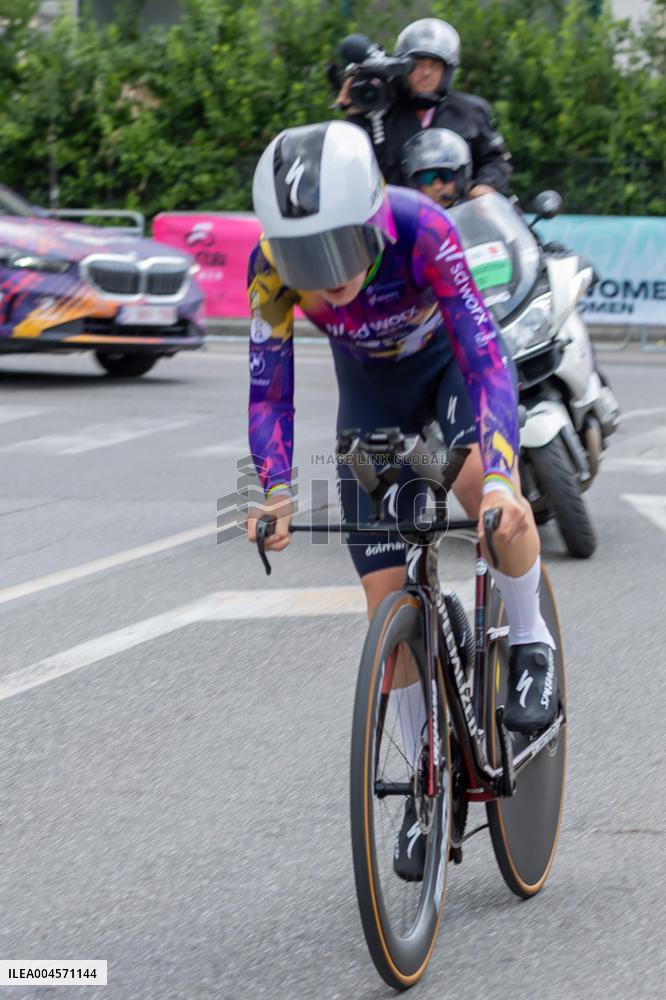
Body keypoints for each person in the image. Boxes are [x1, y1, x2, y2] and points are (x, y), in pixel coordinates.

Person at [245, 120, 557, 880]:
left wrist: (504, 477)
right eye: (304, 258)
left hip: (448, 375)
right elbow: (268, 385)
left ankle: (531, 639)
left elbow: (486, 356)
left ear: (373, 219)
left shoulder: (424, 229)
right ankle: (425, 781)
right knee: (383, 594)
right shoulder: (269, 271)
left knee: (487, 500)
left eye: (338, 249)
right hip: (373, 401)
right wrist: (275, 488)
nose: (326, 276)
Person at [338, 17, 512, 195]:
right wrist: (355, 116)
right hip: (397, 218)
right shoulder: (378, 113)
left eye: (435, 65)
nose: (426, 73)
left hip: (460, 216)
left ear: (447, 70)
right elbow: (352, 165)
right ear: (403, 67)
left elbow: (495, 161)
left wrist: (485, 186)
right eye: (418, 64)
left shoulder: (471, 111)